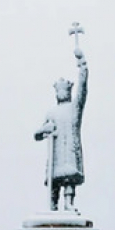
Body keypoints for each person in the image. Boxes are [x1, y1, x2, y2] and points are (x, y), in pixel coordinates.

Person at [34, 47, 88, 211]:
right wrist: (45, 129)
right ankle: (53, 205)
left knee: (69, 179)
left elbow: (82, 90)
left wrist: (82, 65)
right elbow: (37, 135)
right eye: (59, 91)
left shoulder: (74, 108)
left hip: (69, 151)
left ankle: (69, 204)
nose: (61, 93)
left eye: (64, 90)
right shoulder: (51, 112)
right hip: (56, 154)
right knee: (54, 181)